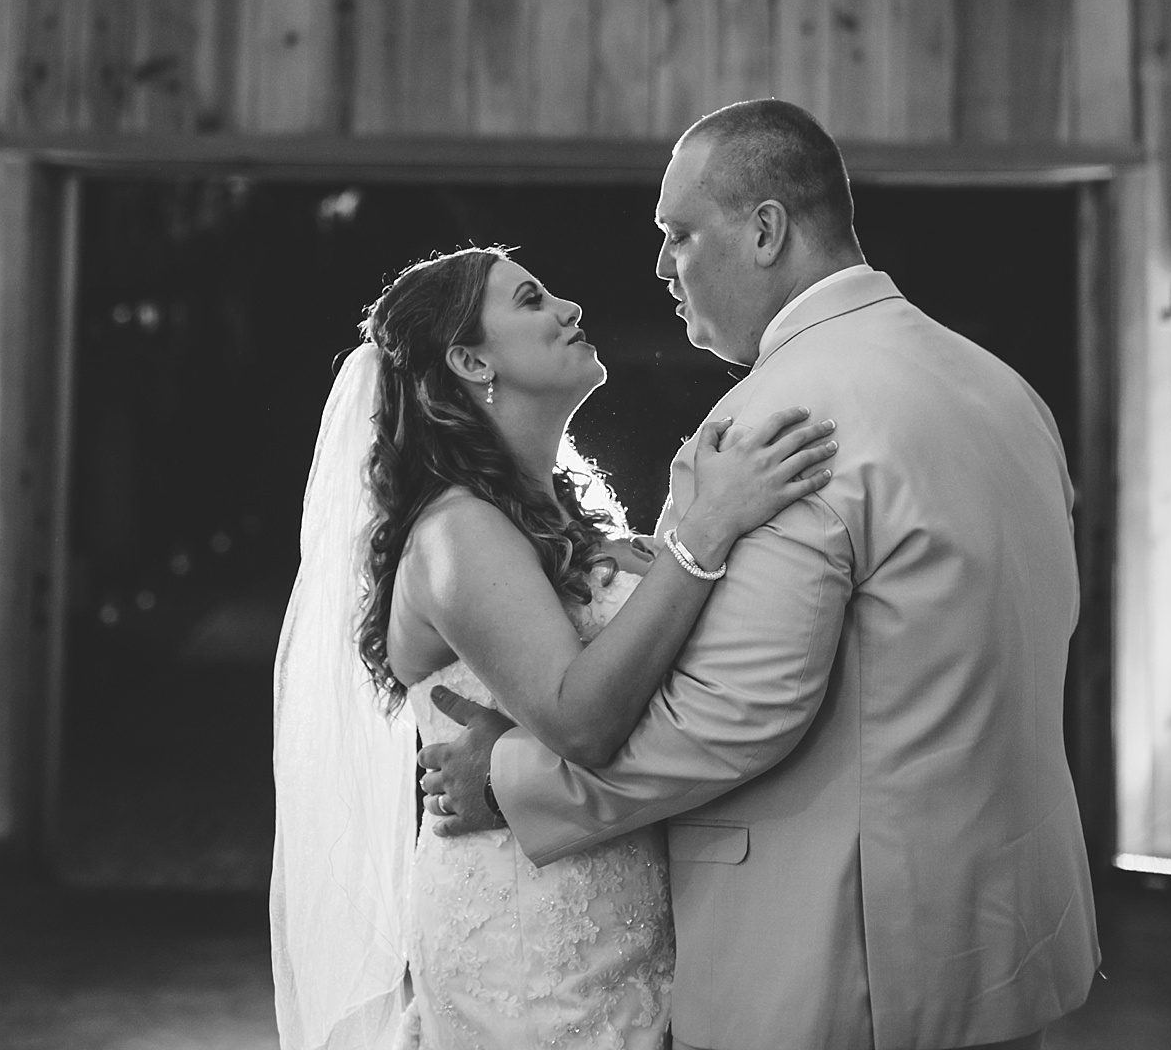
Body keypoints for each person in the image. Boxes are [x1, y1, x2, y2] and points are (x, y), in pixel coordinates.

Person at [421, 99, 1101, 1050]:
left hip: (848, 964)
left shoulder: (777, 420)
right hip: (1008, 941)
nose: (661, 266)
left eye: (678, 235)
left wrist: (509, 780)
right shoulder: (1001, 389)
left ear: (766, 229)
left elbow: (735, 713)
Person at [270, 241, 838, 1050]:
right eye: (532, 300)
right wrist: (708, 530)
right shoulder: (457, 529)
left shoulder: (558, 522)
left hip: (622, 911)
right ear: (471, 359)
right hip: (527, 941)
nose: (570, 310)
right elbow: (582, 720)